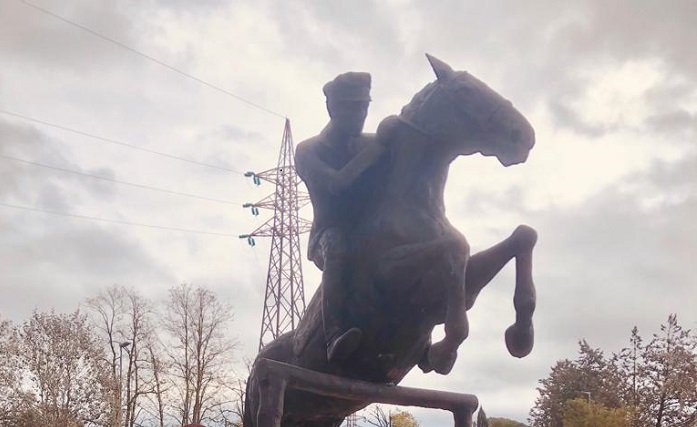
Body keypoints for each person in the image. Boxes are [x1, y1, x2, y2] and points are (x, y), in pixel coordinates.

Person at [294, 72, 386, 361]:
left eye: (363, 107)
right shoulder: (309, 150)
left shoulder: (372, 142)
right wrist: (378, 150)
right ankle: (333, 334)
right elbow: (335, 184)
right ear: (332, 108)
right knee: (338, 245)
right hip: (328, 235)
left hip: (370, 233)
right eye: (351, 107)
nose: (359, 115)